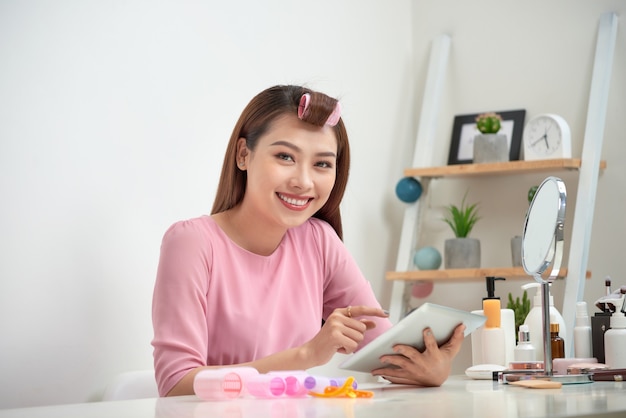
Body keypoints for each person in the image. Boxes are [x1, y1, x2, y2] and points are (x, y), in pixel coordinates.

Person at [151, 84, 465, 397]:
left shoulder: (318, 241)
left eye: (322, 164)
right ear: (244, 154)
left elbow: (391, 356)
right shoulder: (192, 243)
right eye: (285, 156)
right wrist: (306, 355)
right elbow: (176, 383)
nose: (303, 181)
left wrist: (433, 369)